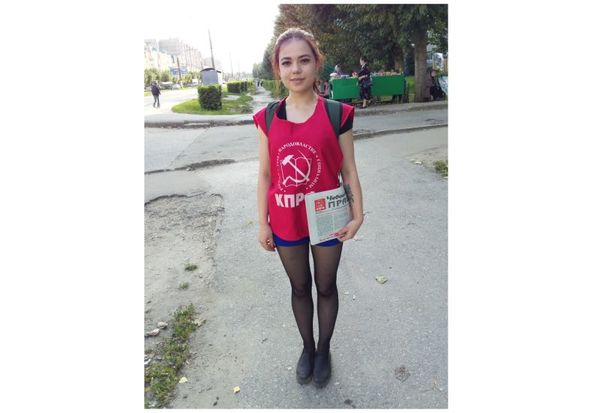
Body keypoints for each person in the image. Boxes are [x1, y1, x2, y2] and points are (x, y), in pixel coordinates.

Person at [253, 28, 364, 388]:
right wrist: (262, 223)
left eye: (304, 60)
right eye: (287, 62)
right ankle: (307, 347)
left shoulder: (336, 114)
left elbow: (348, 169)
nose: (296, 69)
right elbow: (265, 175)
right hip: (286, 217)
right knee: (300, 287)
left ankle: (324, 349)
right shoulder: (269, 117)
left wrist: (358, 214)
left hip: (326, 216)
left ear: (317, 63)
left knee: (326, 286)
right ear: (278, 69)